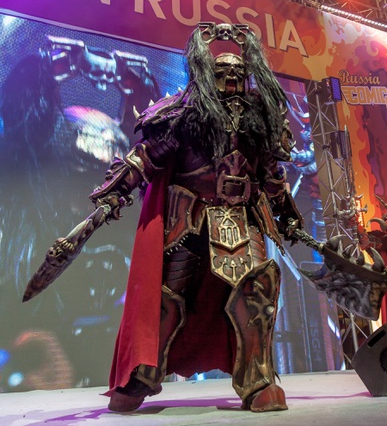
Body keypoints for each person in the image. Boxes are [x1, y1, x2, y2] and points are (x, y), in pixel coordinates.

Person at [88, 22, 303, 413]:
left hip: (241, 219)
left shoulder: (263, 117)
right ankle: (143, 373)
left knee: (256, 292)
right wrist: (114, 191)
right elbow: (145, 157)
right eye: (223, 73)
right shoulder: (182, 112)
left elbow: (271, 173)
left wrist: (286, 212)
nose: (231, 80)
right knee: (169, 299)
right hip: (189, 220)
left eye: (238, 73)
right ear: (207, 73)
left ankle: (257, 380)